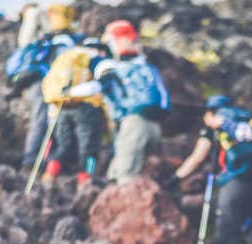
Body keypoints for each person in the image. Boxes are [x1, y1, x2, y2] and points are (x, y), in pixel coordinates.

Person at [163, 95, 252, 244]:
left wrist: (176, 179)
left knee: (228, 228)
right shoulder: (246, 119)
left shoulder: (216, 124)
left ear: (210, 111)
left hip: (233, 181)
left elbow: (197, 158)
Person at [79, 20, 170, 183]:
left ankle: (124, 202)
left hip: (133, 121)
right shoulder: (145, 66)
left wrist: (69, 93)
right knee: (138, 169)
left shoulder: (113, 67)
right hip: (155, 123)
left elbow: (96, 87)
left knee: (126, 172)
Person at [16, 4, 83, 170]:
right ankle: (32, 160)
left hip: (38, 81)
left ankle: (39, 158)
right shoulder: (65, 41)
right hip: (46, 82)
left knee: (42, 119)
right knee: (44, 119)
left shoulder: (47, 39)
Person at [40, 39, 109, 187]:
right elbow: (104, 78)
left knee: (64, 144)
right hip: (87, 106)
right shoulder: (94, 58)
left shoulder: (66, 57)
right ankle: (85, 181)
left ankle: (49, 176)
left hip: (62, 105)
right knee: (89, 146)